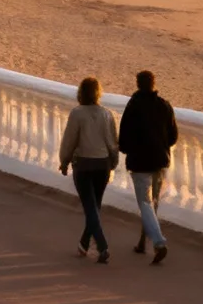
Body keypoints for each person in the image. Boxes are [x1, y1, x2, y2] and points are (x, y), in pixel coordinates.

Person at [118, 69, 178, 264]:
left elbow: (123, 138)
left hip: (140, 162)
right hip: (160, 161)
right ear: (154, 84)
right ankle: (143, 241)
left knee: (145, 203)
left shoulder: (133, 106)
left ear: (138, 84)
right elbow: (173, 136)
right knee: (153, 203)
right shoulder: (164, 106)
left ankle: (158, 243)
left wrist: (129, 151)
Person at [59, 76, 119, 263]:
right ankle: (84, 243)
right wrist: (113, 162)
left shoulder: (77, 113)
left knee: (90, 207)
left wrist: (64, 161)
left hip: (84, 165)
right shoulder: (107, 114)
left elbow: (70, 140)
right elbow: (112, 142)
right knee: (94, 206)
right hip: (102, 165)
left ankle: (102, 245)